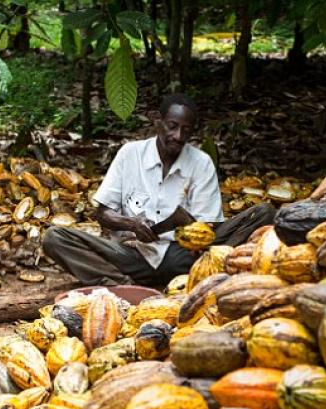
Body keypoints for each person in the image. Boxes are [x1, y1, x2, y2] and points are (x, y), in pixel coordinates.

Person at [42, 93, 275, 287]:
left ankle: (200, 275)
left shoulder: (201, 162)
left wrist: (188, 223)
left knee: (263, 213)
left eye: (186, 130)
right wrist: (130, 224)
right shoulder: (130, 154)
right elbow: (102, 214)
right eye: (172, 127)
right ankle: (121, 285)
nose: (178, 136)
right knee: (55, 238)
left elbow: (210, 230)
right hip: (132, 255)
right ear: (158, 121)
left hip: (184, 256)